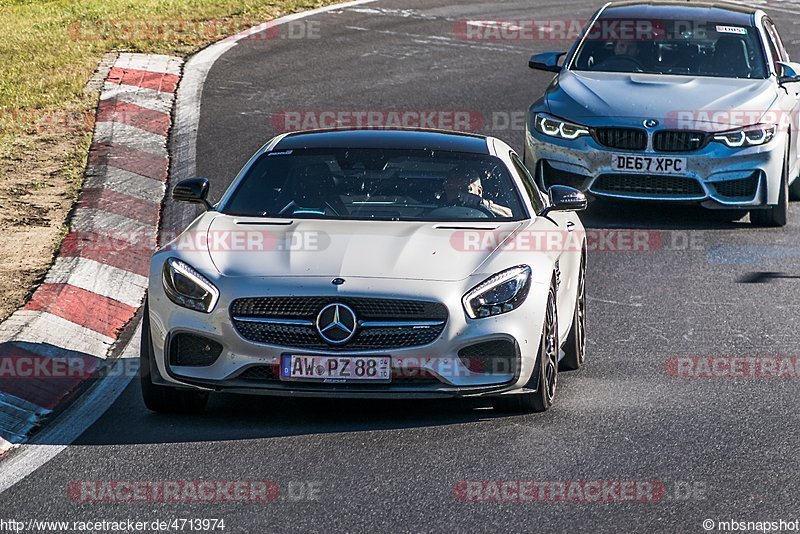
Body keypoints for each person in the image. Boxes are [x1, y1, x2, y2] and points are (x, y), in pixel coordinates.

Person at [440, 165, 513, 217]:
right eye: (452, 190)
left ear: (479, 191)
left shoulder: (492, 218)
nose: (458, 195)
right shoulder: (435, 215)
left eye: (464, 190)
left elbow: (512, 216)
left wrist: (485, 204)